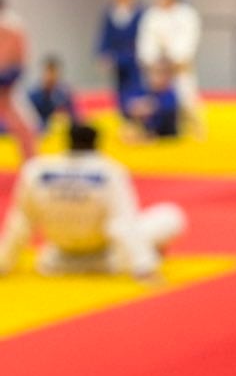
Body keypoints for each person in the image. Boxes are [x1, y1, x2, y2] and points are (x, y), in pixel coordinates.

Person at [0, 118, 186, 279]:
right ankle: (144, 256)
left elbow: (20, 223)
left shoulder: (37, 171)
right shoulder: (108, 172)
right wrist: (144, 266)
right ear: (96, 144)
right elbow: (121, 224)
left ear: (67, 142)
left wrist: (3, 263)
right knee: (171, 216)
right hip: (106, 259)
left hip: (57, 259)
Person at [136, 0, 202, 131]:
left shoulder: (187, 15)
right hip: (157, 67)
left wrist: (178, 59)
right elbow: (146, 40)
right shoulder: (152, 16)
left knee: (187, 97)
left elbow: (190, 39)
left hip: (180, 64)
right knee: (153, 100)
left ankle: (195, 126)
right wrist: (152, 61)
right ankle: (155, 126)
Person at [95, 0, 145, 115]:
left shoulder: (141, 13)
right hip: (117, 61)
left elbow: (145, 39)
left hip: (136, 62)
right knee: (120, 95)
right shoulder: (110, 13)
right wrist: (102, 54)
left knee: (137, 95)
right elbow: (104, 37)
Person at [0, 0, 39, 161]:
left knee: (27, 127)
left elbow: (19, 64)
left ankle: (31, 167)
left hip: (8, 89)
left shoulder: (13, 27)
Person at [126, 61, 182, 139]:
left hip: (167, 139)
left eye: (158, 74)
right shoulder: (147, 92)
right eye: (151, 74)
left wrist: (148, 107)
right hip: (150, 136)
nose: (153, 78)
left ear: (168, 77)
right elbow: (131, 106)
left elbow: (162, 109)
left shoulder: (170, 95)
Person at [28, 56, 77, 133]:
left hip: (61, 133)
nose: (51, 76)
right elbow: (31, 120)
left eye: (54, 72)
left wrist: (66, 118)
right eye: (48, 71)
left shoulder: (64, 93)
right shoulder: (33, 95)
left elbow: (75, 117)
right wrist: (50, 122)